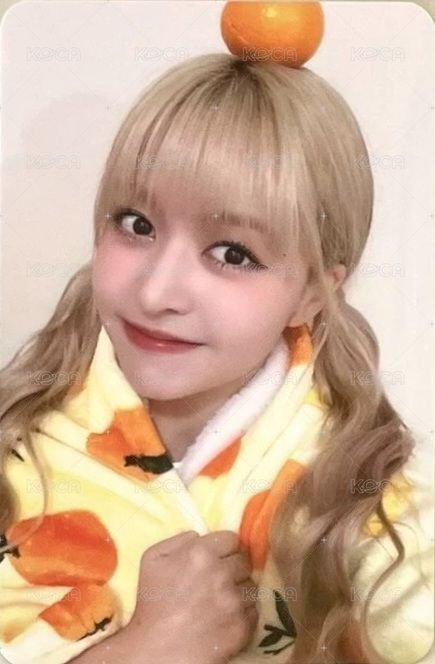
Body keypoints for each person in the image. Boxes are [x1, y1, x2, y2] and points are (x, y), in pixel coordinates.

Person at [0, 43, 433, 664]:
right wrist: (144, 651)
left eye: (233, 254)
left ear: (313, 292)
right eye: (136, 224)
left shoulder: (371, 510)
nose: (156, 292)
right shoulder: (17, 436)